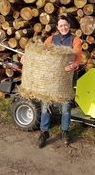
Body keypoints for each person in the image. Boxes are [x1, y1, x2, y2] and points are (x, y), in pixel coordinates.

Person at [21, 15, 82, 148]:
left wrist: (74, 65)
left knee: (66, 106)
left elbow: (78, 55)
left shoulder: (75, 40)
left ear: (69, 25)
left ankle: (65, 131)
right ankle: (44, 131)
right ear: (57, 28)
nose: (63, 27)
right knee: (45, 106)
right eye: (61, 26)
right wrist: (27, 57)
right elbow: (40, 53)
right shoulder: (52, 39)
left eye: (65, 25)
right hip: (50, 80)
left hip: (66, 79)